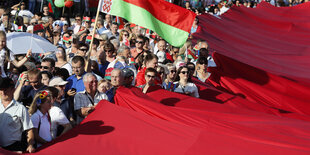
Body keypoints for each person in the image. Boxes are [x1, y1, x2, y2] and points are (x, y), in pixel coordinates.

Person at [0, 78, 35, 153]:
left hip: (14, 148)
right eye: (0, 89)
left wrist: (30, 144)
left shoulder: (21, 108)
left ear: (13, 89)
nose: (3, 92)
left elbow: (29, 129)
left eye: (5, 89)